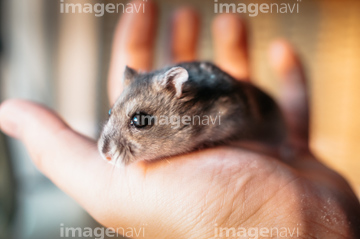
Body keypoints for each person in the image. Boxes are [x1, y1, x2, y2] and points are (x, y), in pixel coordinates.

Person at [0, 1, 359, 238]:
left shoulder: (216, 110)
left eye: (139, 121)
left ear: (177, 91)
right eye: (113, 114)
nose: (106, 148)